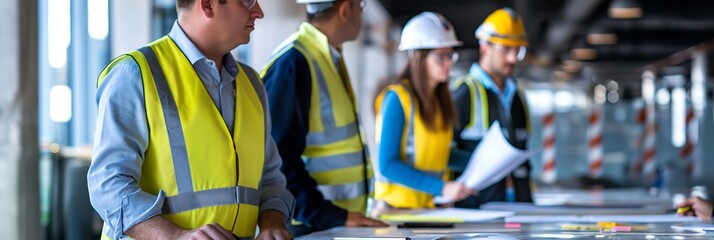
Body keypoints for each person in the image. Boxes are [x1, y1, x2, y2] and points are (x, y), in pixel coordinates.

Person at [87, 0, 295, 239]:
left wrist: (272, 224)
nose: (258, 12)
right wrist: (176, 236)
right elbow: (108, 185)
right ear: (207, 5)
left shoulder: (252, 84)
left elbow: (271, 179)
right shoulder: (134, 74)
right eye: (247, 1)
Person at [260, 0, 387, 236]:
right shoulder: (294, 62)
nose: (361, 13)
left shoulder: (327, 57)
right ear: (345, 8)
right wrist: (330, 215)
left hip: (331, 223)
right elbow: (277, 161)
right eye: (361, 6)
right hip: (308, 225)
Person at [373, 12, 475, 211]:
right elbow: (387, 165)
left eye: (450, 55)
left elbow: (439, 156)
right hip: (397, 212)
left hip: (429, 210)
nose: (449, 63)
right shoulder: (397, 99)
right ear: (418, 58)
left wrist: (479, 161)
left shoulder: (439, 102)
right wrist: (442, 188)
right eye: (441, 57)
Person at [451, 7, 533, 208]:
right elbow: (442, 156)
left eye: (518, 50)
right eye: (506, 49)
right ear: (485, 47)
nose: (513, 58)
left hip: (518, 206)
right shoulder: (465, 93)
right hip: (474, 213)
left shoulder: (517, 97)